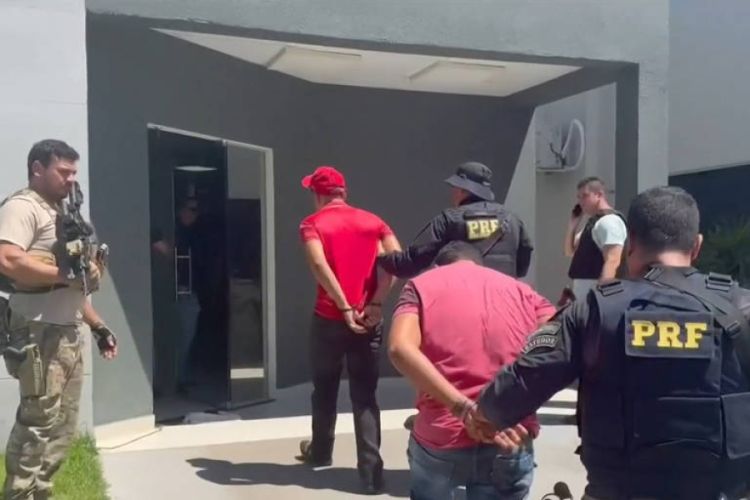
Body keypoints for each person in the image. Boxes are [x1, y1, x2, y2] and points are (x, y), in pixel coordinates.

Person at [474, 186, 750, 500]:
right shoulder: (740, 308)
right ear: (696, 245)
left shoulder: (595, 309)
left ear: (631, 242)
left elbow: (522, 381)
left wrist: (482, 416)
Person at [388, 241, 555, 499]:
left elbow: (399, 348)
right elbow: (559, 348)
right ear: (479, 264)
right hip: (510, 435)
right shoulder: (524, 292)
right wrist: (511, 407)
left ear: (438, 266)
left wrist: (463, 408)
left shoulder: (420, 285)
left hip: (442, 435)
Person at [0, 139, 116, 500]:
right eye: (63, 171)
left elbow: (75, 288)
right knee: (37, 422)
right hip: (37, 331)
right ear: (38, 169)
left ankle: (41, 492)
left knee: (63, 425)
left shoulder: (65, 214)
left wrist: (98, 326)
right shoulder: (23, 207)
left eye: (74, 173)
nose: (71, 179)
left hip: (67, 332)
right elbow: (7, 259)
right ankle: (18, 494)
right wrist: (65, 275)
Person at [296, 165, 400, 495]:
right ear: (344, 192)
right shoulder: (375, 222)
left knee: (324, 388)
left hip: (329, 318)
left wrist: (342, 305)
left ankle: (321, 452)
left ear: (317, 194)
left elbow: (318, 263)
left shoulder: (312, 224)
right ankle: (370, 474)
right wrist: (376, 302)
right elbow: (396, 260)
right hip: (368, 320)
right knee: (365, 395)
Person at [378, 161, 533, 280]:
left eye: (455, 187)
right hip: (503, 301)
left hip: (463, 300)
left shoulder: (449, 219)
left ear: (463, 190)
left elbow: (410, 263)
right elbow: (522, 266)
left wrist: (379, 256)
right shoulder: (512, 219)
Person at [564, 177, 627, 300]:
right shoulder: (595, 222)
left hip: (597, 297)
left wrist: (603, 295)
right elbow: (569, 251)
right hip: (584, 297)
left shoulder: (609, 221)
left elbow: (613, 259)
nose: (581, 201)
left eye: (585, 196)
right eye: (578, 197)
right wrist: (572, 225)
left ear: (599, 195)